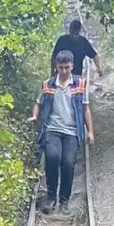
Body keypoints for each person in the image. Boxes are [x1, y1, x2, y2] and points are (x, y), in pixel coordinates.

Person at [30, 51, 95, 214]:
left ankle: (64, 200)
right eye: (61, 68)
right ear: (56, 68)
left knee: (67, 163)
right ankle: (51, 197)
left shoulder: (80, 84)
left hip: (72, 131)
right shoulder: (48, 84)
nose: (64, 71)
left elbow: (86, 109)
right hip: (52, 128)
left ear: (72, 66)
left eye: (67, 67)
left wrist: (90, 132)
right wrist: (34, 116)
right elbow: (38, 103)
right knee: (52, 157)